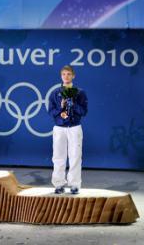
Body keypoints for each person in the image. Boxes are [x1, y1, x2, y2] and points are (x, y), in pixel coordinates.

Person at [48, 65, 88, 194]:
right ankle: (59, 184)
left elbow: (83, 111)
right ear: (61, 76)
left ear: (73, 76)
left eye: (69, 74)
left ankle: (74, 185)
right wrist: (61, 109)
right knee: (58, 157)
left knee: (75, 156)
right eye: (64, 74)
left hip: (74, 128)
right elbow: (51, 111)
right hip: (59, 128)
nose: (66, 76)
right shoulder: (55, 93)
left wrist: (73, 104)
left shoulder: (80, 92)